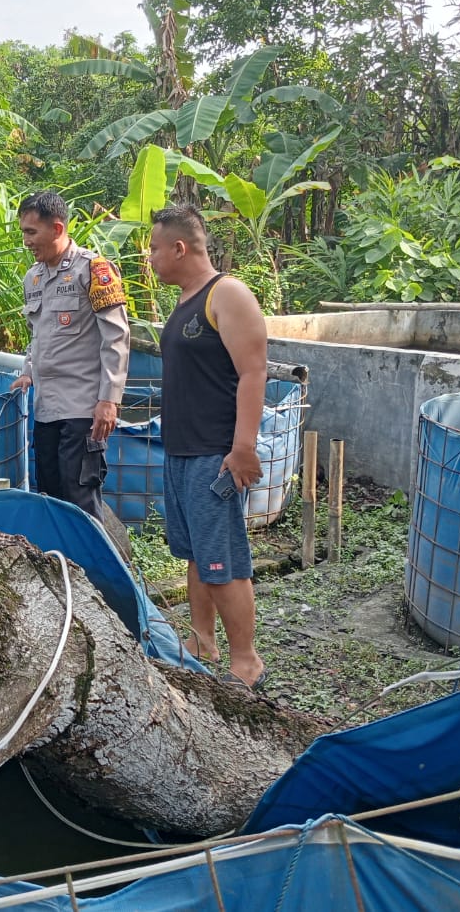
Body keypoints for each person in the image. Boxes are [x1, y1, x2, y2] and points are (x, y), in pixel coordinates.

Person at [149, 204, 268, 689]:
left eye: (155, 248)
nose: (151, 258)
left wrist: (243, 447)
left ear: (180, 247)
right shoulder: (184, 302)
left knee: (222, 560)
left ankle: (246, 661)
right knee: (199, 554)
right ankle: (201, 641)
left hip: (213, 454)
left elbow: (253, 372)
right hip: (180, 451)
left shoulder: (228, 293)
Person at [10, 191, 131, 521]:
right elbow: (38, 336)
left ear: (57, 228)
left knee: (80, 497)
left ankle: (94, 571)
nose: (26, 241)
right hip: (46, 409)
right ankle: (61, 568)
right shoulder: (32, 278)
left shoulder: (93, 270)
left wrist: (109, 400)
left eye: (31, 232)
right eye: (23, 232)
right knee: (49, 495)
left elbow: (116, 336)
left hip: (83, 408)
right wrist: (27, 371)